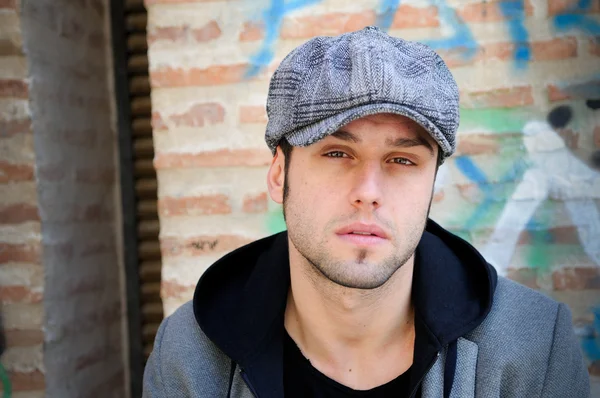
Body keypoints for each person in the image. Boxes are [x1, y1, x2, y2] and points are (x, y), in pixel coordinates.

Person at [143, 26, 590, 397]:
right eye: (337, 154)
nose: (368, 193)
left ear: (432, 183)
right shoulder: (189, 354)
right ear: (280, 174)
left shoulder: (532, 347)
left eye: (402, 160)